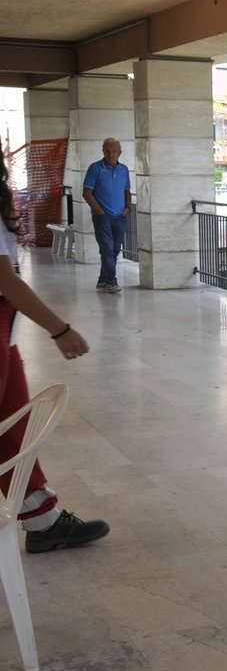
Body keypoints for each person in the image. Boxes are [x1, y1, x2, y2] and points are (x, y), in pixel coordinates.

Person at [0, 159, 106, 552]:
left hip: (4, 327)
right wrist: (59, 329)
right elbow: (5, 280)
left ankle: (43, 521)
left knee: (13, 430)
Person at [83, 137, 131, 293]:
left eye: (114, 151)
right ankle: (111, 281)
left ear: (120, 153)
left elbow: (127, 191)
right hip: (103, 217)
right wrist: (100, 212)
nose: (111, 154)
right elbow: (87, 193)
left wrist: (127, 208)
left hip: (120, 216)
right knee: (107, 248)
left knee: (115, 250)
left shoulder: (124, 170)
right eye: (108, 151)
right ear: (103, 151)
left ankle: (103, 280)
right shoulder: (95, 168)